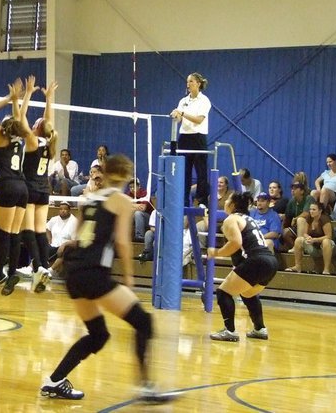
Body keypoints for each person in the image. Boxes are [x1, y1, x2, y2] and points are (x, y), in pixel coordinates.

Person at [39, 154, 178, 403]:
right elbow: (123, 243)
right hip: (94, 274)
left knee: (98, 335)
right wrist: (128, 276)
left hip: (75, 274)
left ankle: (54, 381)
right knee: (144, 322)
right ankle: (146, 388)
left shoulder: (89, 199)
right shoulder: (121, 201)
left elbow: (79, 237)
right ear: (125, 175)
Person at [207, 192, 278, 342]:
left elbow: (236, 243)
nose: (225, 202)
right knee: (248, 293)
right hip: (270, 262)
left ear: (232, 205)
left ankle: (230, 331)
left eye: (227, 200)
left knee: (223, 293)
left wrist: (216, 252)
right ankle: (260, 329)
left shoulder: (231, 219)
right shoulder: (250, 219)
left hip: (256, 260)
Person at [0, 79, 29, 294]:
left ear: (3, 127)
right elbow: (18, 117)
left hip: (7, 187)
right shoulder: (19, 139)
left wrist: (10, 98)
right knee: (14, 233)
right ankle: (12, 273)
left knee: (3, 234)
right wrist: (16, 101)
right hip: (23, 188)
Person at [20, 77, 59, 293]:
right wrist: (49, 99)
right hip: (44, 190)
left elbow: (21, 118)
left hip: (30, 189)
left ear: (37, 129)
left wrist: (27, 94)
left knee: (28, 231)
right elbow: (48, 121)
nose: (35, 123)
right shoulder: (50, 142)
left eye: (36, 123)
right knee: (39, 230)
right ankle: (44, 266)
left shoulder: (33, 141)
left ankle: (38, 267)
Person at [170, 72, 211, 207]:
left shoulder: (204, 100)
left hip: (198, 137)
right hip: (184, 138)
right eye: (187, 82)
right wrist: (176, 115)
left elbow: (199, 120)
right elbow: (180, 118)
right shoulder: (183, 101)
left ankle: (202, 201)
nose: (188, 84)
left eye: (191, 82)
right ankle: (184, 201)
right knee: (184, 171)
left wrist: (182, 113)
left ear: (198, 84)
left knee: (201, 171)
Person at [286, 201, 336, 274]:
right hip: (314, 245)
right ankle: (297, 266)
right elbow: (305, 233)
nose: (311, 211)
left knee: (326, 241)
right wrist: (308, 237)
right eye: (310, 209)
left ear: (320, 211)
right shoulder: (309, 218)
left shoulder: (325, 219)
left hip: (328, 246)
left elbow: (329, 236)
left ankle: (326, 269)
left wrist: (315, 240)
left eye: (314, 210)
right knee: (299, 240)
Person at [281, 181, 314, 250]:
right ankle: (296, 248)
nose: (292, 190)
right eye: (292, 188)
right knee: (285, 233)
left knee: (300, 219)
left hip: (310, 226)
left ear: (302, 191)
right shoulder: (292, 201)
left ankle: (299, 247)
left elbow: (306, 213)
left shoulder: (309, 198)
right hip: (297, 227)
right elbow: (287, 218)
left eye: (295, 188)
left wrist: (295, 218)